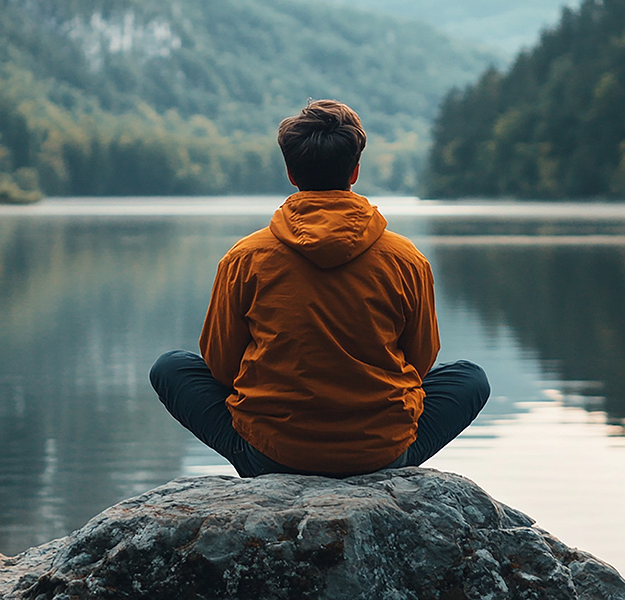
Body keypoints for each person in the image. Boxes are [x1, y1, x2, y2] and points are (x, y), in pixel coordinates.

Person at [150, 99, 489, 477]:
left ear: (291, 173)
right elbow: (421, 359)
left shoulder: (245, 258)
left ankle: (271, 454)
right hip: (379, 454)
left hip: (271, 456)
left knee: (170, 368)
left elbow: (220, 364)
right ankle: (387, 461)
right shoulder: (406, 259)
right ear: (355, 171)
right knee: (469, 379)